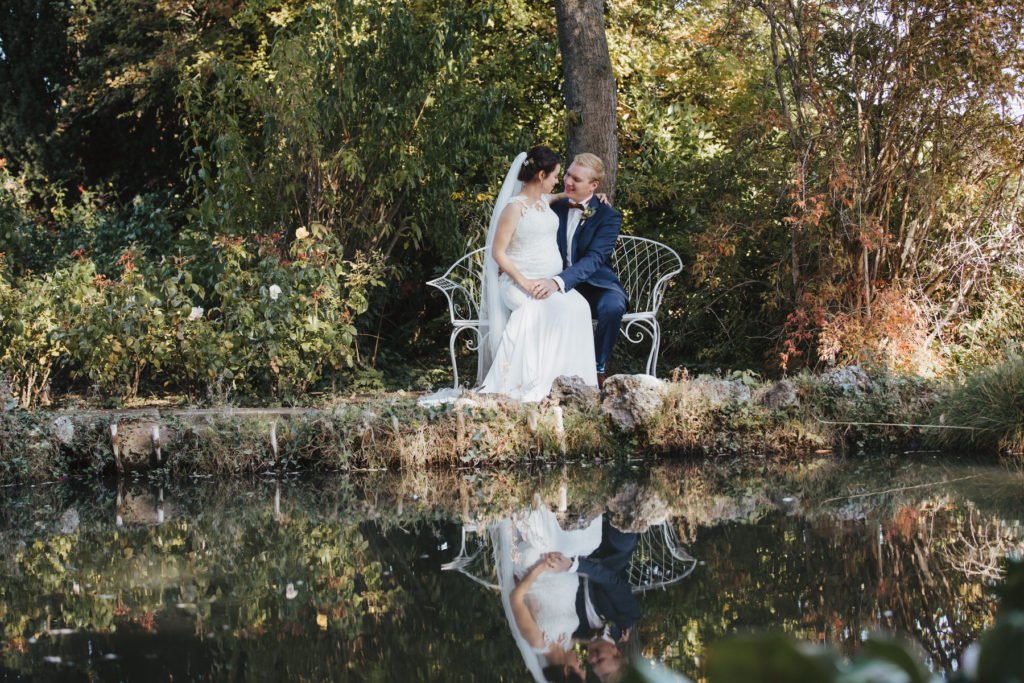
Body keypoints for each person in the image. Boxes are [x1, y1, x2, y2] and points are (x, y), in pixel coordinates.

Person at [477, 147, 598, 402]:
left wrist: (595, 196)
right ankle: (535, 382)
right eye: (555, 176)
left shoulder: (543, 200)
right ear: (541, 175)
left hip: (548, 282)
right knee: (550, 310)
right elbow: (498, 253)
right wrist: (526, 282)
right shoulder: (514, 208)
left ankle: (574, 381)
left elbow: (558, 197)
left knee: (580, 306)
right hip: (519, 282)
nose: (559, 181)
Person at [529, 154, 628, 388]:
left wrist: (558, 281)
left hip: (596, 283)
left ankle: (598, 368)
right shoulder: (554, 206)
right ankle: (545, 370)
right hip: (556, 279)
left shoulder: (608, 215)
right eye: (567, 175)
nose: (568, 181)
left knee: (613, 306)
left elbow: (595, 259)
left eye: (577, 179)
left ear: (594, 186)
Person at [491, 503, 603, 682]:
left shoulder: (537, 642)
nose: (582, 661)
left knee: (571, 540)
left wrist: (542, 567)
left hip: (537, 565)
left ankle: (545, 498)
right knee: (592, 542)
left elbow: (516, 599)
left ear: (566, 670)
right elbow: (592, 641)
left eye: (580, 667)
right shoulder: (566, 642)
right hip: (562, 563)